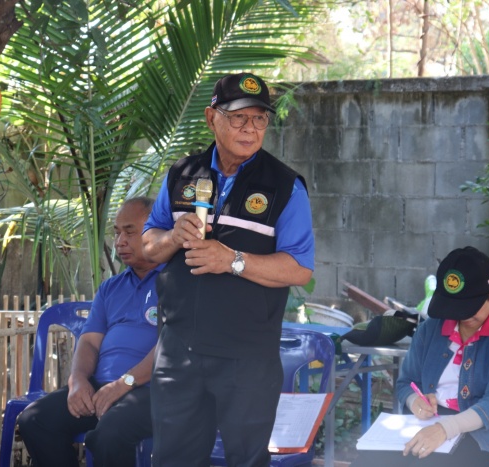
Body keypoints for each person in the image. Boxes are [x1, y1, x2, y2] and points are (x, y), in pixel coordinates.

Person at [142, 72, 315, 466]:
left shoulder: (285, 186)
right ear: (211, 118)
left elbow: (299, 268)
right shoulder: (182, 174)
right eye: (238, 117)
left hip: (247, 357)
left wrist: (232, 260)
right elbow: (148, 245)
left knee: (245, 460)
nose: (250, 128)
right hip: (179, 350)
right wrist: (172, 237)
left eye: (259, 118)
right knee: (172, 459)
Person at [350, 246, 489, 467]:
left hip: (487, 438)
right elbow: (406, 382)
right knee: (367, 462)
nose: (462, 316)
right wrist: (415, 401)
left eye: (470, 307)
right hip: (430, 424)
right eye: (456, 307)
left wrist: (443, 429)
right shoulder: (431, 328)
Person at [17, 197, 162, 467]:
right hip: (101, 387)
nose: (119, 242)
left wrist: (123, 384)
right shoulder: (111, 288)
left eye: (130, 232)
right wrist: (78, 380)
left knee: (109, 436)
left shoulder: (179, 282)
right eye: (117, 233)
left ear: (158, 231)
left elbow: (172, 345)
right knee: (34, 420)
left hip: (152, 390)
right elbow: (90, 342)